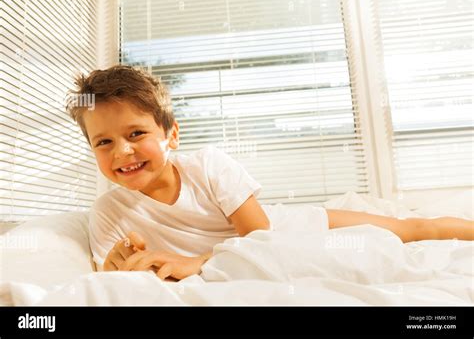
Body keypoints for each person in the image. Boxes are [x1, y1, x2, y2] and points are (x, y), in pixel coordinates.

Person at [66, 65, 473, 281]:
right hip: (264, 242)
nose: (122, 151)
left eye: (136, 133)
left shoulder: (207, 166)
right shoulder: (107, 211)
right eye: (103, 142)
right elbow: (108, 274)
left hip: (295, 228)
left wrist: (198, 262)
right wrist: (117, 264)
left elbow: (263, 240)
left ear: (171, 135)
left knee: (415, 229)